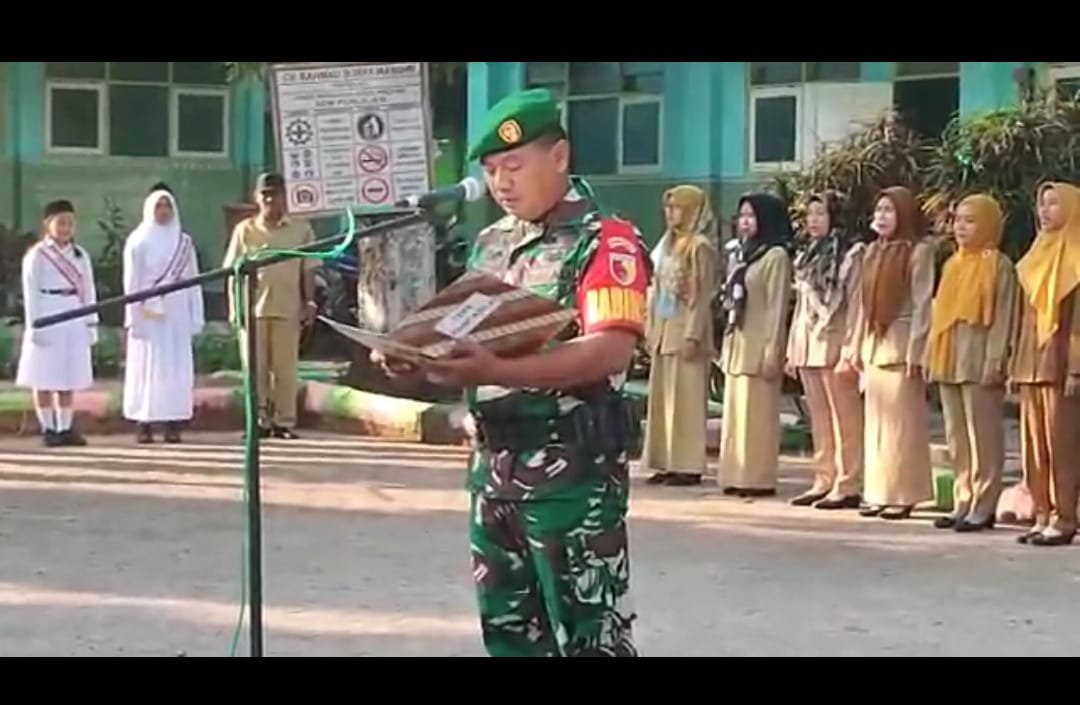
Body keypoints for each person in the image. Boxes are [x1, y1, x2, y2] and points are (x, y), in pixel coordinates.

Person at [376, 88, 647, 656]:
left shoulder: (605, 240)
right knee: (511, 641)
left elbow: (609, 352)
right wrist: (417, 360)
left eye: (514, 166)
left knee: (589, 643)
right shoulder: (492, 245)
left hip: (571, 484)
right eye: (493, 170)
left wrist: (499, 367)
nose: (501, 182)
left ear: (561, 157)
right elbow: (464, 345)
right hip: (493, 476)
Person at [926, 194, 1017, 533]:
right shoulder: (952, 264)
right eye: (958, 220)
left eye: (970, 220)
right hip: (950, 356)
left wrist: (996, 359)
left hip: (979, 359)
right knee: (956, 435)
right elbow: (940, 315)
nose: (961, 227)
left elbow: (1004, 317)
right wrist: (931, 354)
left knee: (983, 435)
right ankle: (962, 500)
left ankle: (984, 503)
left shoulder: (998, 264)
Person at [855, 187, 935, 521]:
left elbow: (922, 304)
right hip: (875, 344)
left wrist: (918, 349)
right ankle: (878, 491)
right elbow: (863, 304)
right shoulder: (872, 251)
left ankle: (904, 494)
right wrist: (859, 348)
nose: (882, 216)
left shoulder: (919, 252)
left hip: (902, 347)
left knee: (903, 426)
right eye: (879, 210)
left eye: (890, 210)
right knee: (877, 425)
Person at [1009, 182, 1080, 547]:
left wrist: (1075, 369)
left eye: (1054, 203)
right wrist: (1016, 363)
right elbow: (1026, 317)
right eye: (1042, 203)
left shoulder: (1076, 256)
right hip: (1031, 363)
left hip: (1059, 365)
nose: (1046, 210)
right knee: (1033, 444)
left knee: (1062, 445)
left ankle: (1066, 517)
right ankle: (1041, 512)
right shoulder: (1037, 253)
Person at [785, 191, 866, 509]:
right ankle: (824, 477)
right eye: (810, 214)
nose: (813, 220)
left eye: (820, 213)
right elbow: (801, 305)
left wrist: (852, 348)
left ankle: (849, 482)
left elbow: (858, 304)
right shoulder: (807, 255)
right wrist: (793, 347)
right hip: (809, 342)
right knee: (818, 417)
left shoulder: (851, 253)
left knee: (844, 416)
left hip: (836, 341)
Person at [223, 172, 318, 439]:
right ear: (257, 198)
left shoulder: (301, 228)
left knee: (285, 369)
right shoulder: (245, 230)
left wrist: (309, 301)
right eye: (264, 194)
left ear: (284, 197)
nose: (269, 200)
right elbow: (233, 272)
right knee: (255, 369)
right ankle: (259, 421)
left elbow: (308, 268)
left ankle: (284, 422)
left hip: (288, 307)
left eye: (274, 194)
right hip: (252, 310)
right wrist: (234, 308)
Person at [717, 193, 794, 497]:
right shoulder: (741, 255)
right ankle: (735, 475)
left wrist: (772, 348)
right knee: (737, 414)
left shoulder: (775, 256)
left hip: (760, 342)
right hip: (738, 342)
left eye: (751, 216)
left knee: (758, 416)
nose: (745, 222)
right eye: (742, 216)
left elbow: (776, 307)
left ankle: (758, 478)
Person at [643, 185, 719, 487]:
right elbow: (656, 289)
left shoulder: (699, 246)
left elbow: (702, 295)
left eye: (677, 208)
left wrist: (692, 334)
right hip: (663, 330)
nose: (670, 213)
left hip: (685, 331)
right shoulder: (667, 244)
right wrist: (650, 328)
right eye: (668, 207)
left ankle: (687, 464)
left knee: (686, 401)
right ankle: (666, 461)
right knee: (664, 401)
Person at [122, 189, 205, 443]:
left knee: (175, 367)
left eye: (168, 206)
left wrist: (196, 315)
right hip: (148, 311)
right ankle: (144, 423)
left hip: (177, 310)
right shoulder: (138, 241)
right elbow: (131, 283)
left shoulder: (184, 243)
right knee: (147, 366)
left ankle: (173, 422)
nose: (164, 211)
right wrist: (133, 317)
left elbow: (193, 281)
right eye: (159, 206)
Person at [16, 200, 98, 447]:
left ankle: (65, 428)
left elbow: (89, 289)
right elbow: (30, 292)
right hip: (47, 312)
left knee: (67, 376)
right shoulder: (37, 255)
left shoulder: (80, 255)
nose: (65, 228)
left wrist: (91, 322)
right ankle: (48, 427)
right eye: (60, 222)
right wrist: (35, 325)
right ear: (47, 225)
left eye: (69, 223)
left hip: (73, 312)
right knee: (44, 376)